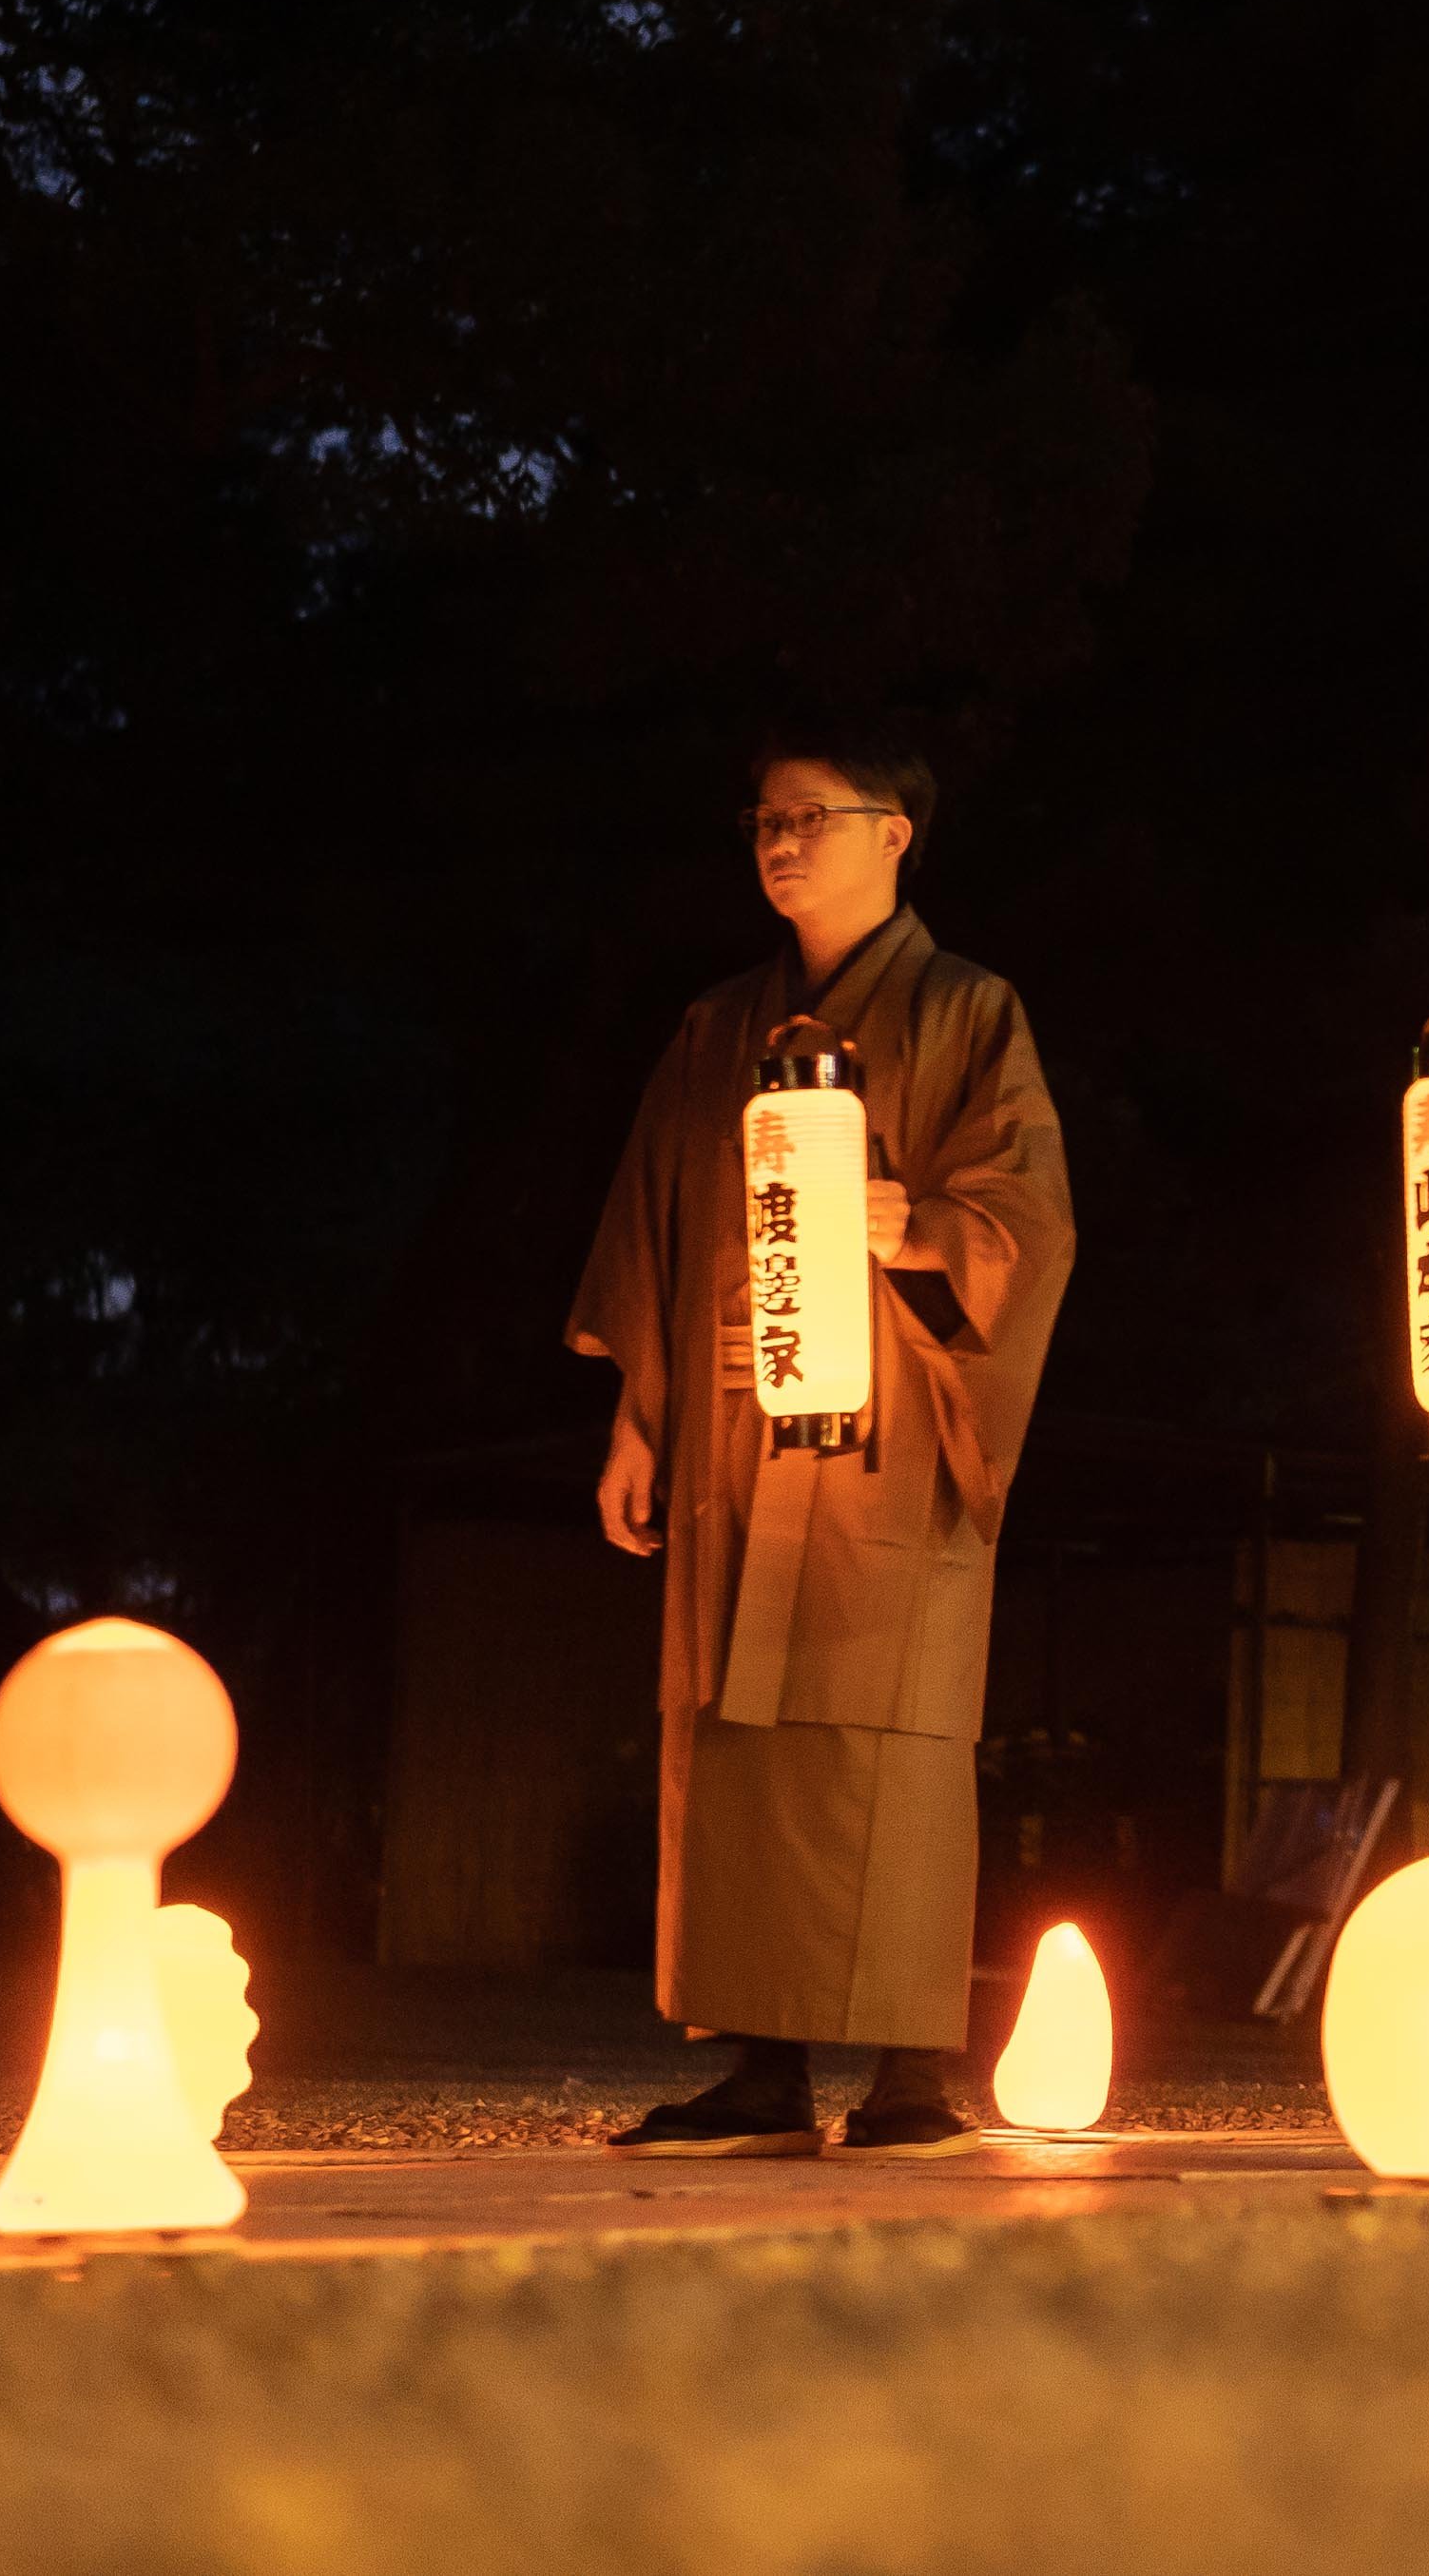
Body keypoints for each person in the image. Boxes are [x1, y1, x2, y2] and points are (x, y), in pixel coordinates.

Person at [569, 734, 1074, 2158]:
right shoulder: (714, 1024)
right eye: (764, 820)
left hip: (895, 1417)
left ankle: (913, 2067)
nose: (781, 840)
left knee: (886, 1735)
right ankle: (762, 2059)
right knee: (737, 1731)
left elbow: (1029, 1212)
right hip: (732, 1412)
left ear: (898, 829)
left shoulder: (971, 1008)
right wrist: (640, 1409)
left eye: (813, 816)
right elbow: (661, 1234)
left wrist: (918, 1228)